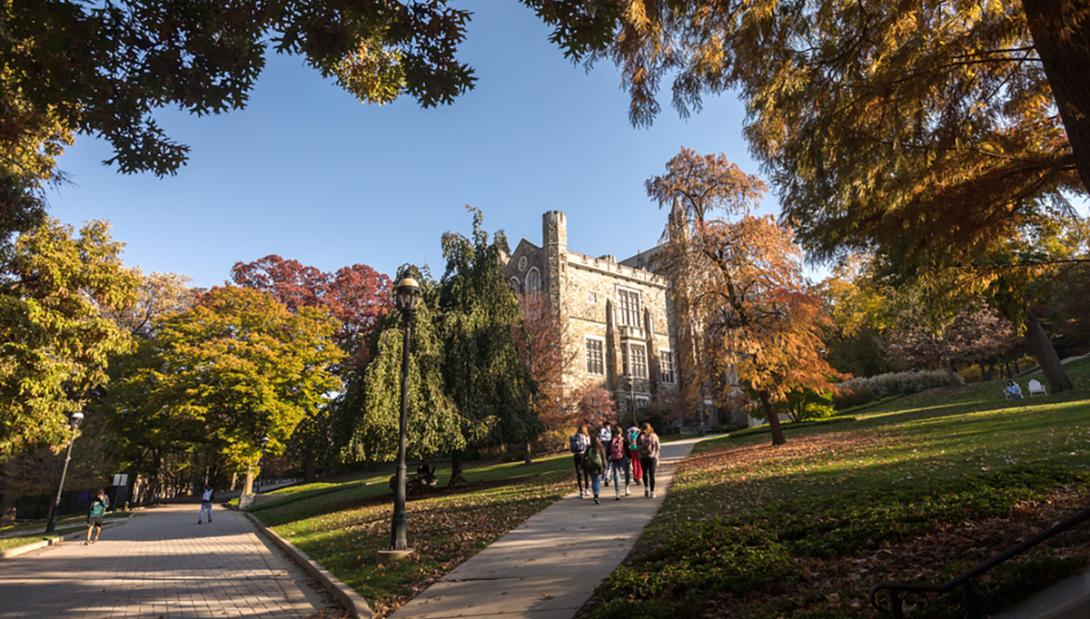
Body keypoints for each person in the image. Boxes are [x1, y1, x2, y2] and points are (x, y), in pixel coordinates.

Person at [638, 423, 661, 498]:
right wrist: (657, 457)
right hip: (652, 457)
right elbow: (658, 447)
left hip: (642, 457)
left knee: (644, 473)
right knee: (652, 475)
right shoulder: (654, 436)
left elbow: (637, 447)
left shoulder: (639, 436)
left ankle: (646, 488)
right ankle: (652, 492)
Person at [608, 424, 630, 499]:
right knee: (627, 473)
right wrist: (630, 458)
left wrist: (609, 458)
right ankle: (627, 488)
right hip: (623, 458)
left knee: (616, 476)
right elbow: (627, 450)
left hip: (614, 459)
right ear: (621, 432)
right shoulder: (624, 440)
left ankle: (618, 492)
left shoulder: (611, 441)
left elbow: (608, 450)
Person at [583, 434, 606, 504]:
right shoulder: (600, 447)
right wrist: (604, 468)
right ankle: (596, 494)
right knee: (597, 481)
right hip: (598, 467)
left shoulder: (588, 448)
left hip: (590, 467)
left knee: (593, 481)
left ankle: (595, 493)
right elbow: (603, 458)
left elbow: (585, 457)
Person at [569, 425, 591, 498]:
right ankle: (587, 490)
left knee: (579, 473)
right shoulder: (586, 437)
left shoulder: (574, 436)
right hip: (583, 455)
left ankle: (581, 491)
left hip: (576, 456)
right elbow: (588, 446)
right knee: (586, 472)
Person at [597, 421, 613, 485]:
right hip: (609, 446)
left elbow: (599, 439)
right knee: (609, 463)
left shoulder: (601, 430)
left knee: (604, 462)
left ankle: (604, 474)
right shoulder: (611, 431)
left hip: (602, 446)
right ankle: (607, 477)